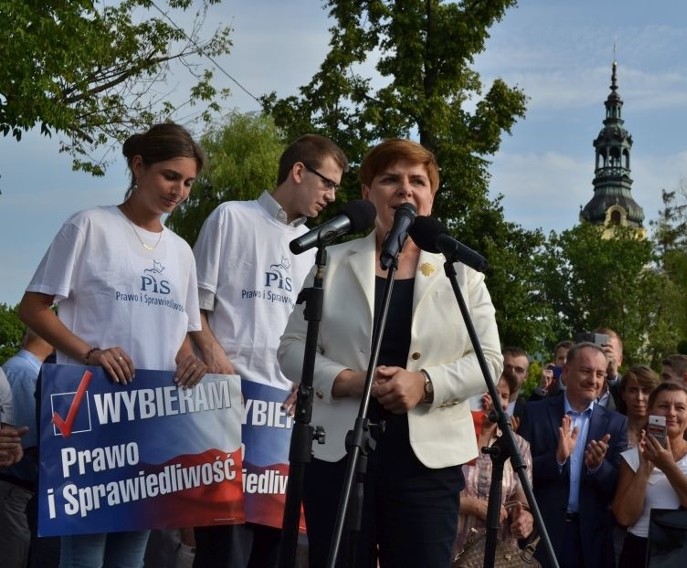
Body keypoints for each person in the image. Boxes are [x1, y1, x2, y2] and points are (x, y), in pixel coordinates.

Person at [278, 138, 503, 567]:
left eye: (417, 180)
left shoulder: (461, 272)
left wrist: (425, 384)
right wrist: (347, 381)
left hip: (428, 464)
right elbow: (291, 349)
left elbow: (489, 361)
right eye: (389, 179)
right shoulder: (333, 260)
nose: (405, 189)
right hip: (339, 456)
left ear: (431, 196)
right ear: (366, 194)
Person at [18, 122, 209, 568]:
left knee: (133, 550)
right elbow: (33, 308)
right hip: (90, 410)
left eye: (188, 182)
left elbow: (176, 328)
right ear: (138, 167)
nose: (178, 191)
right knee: (84, 549)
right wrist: (91, 352)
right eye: (169, 176)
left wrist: (188, 362)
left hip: (153, 414)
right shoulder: (89, 226)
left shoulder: (181, 251)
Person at [191, 134, 348, 568]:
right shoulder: (230, 218)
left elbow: (313, 335)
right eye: (328, 183)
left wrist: (307, 377)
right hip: (228, 411)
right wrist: (218, 361)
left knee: (273, 549)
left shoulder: (317, 250)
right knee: (225, 548)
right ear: (298, 171)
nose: (332, 197)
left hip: (283, 420)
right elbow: (194, 309)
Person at [518, 342, 628, 567]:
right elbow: (519, 475)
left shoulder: (616, 424)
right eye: (586, 371)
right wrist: (556, 459)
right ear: (566, 372)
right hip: (542, 535)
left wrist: (598, 466)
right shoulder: (534, 412)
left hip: (592, 540)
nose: (594, 380)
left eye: (600, 374)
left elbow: (618, 487)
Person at [612, 382, 687, 568]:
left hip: (686, 549)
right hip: (640, 549)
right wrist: (644, 469)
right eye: (663, 406)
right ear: (650, 412)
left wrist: (669, 467)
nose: (671, 413)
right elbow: (624, 517)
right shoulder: (630, 458)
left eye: (680, 408)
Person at [452, 376, 533, 560]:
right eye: (491, 393)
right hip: (452, 550)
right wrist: (474, 506)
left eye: (504, 396)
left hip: (498, 555)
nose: (499, 402)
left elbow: (522, 497)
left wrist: (524, 518)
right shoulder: (453, 437)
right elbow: (436, 494)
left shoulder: (518, 445)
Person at [0, 329, 53, 568]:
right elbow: (26, 441)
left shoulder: (19, 369)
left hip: (17, 490)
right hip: (15, 488)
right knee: (15, 553)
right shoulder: (25, 374)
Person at [616, 365, 661, 449]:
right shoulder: (611, 428)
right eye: (633, 391)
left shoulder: (662, 431)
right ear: (623, 394)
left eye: (646, 391)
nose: (639, 398)